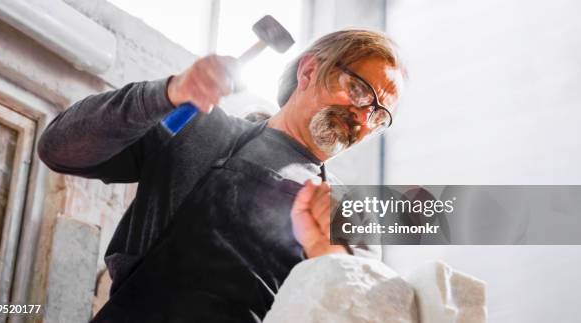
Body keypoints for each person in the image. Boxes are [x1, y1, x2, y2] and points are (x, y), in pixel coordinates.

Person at [38, 29, 405, 322]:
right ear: (309, 71)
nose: (362, 116)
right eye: (358, 90)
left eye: (378, 116)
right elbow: (58, 149)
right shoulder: (197, 129)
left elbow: (365, 314)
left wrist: (332, 264)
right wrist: (167, 93)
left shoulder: (350, 214)